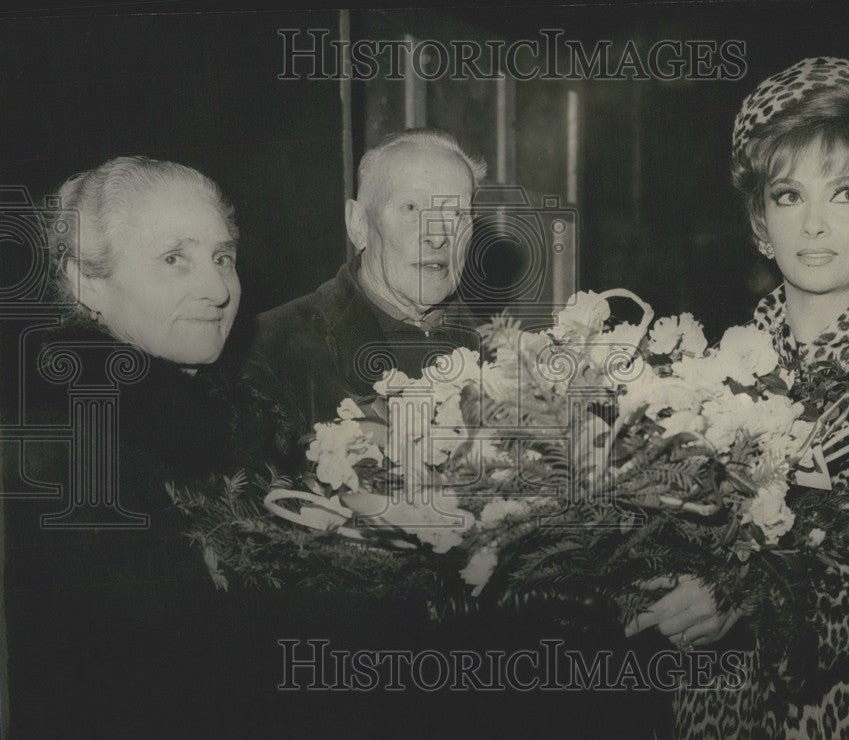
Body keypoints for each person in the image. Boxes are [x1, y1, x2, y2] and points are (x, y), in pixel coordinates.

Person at [626, 57, 849, 737]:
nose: (813, 224)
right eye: (789, 195)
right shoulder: (706, 375)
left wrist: (739, 598)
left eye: (846, 193)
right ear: (761, 222)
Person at [0, 156, 296, 736]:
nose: (217, 289)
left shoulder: (231, 415)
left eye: (223, 257)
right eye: (173, 259)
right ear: (88, 281)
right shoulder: (72, 450)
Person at [244, 128, 487, 439]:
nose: (437, 235)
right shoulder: (270, 353)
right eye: (411, 208)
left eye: (455, 213)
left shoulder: (502, 356)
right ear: (358, 225)